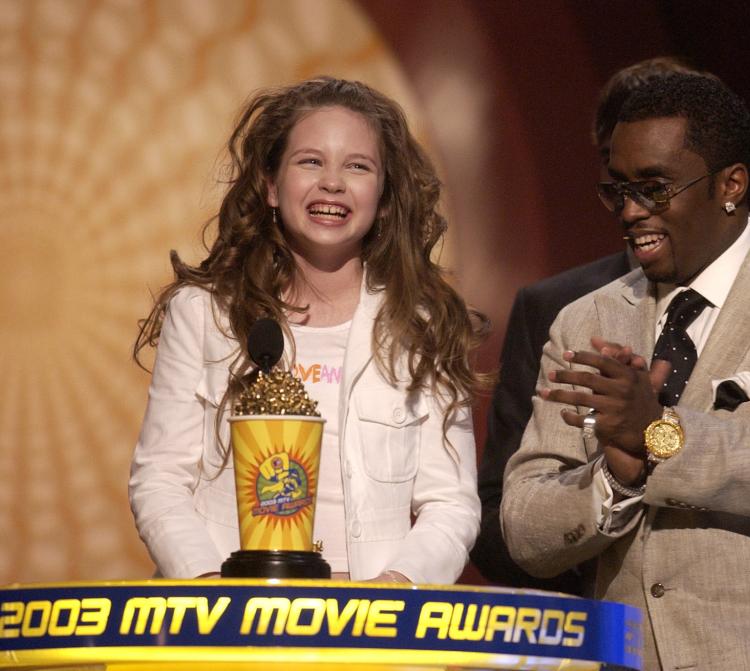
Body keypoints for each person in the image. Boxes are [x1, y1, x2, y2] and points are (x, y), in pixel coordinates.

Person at [502, 72, 750, 670]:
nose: (630, 212)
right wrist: (614, 482)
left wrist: (660, 433)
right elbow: (526, 530)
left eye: (654, 189)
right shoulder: (585, 322)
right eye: (617, 190)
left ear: (731, 185)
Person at [130, 77, 485, 584]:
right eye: (311, 161)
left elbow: (451, 503)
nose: (333, 183)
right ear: (271, 185)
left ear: (383, 197)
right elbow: (160, 479)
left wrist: (394, 589)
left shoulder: (423, 326)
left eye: (357, 166)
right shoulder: (204, 313)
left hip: (370, 629)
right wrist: (209, 589)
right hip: (225, 623)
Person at [472, 58, 695, 592]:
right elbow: (497, 519)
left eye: (658, 176)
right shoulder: (559, 310)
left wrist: (656, 435)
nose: (635, 201)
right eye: (619, 173)